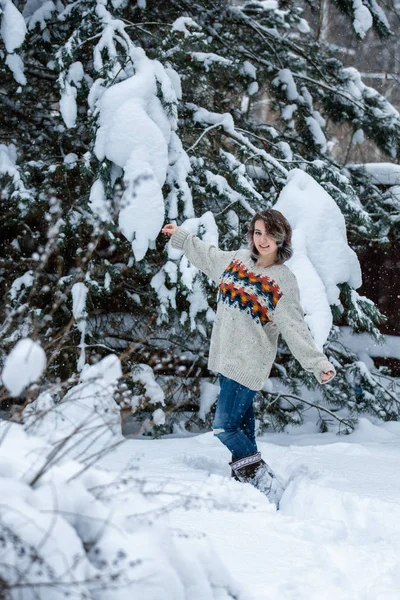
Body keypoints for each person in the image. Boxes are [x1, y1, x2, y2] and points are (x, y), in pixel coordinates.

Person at [162, 209, 335, 506]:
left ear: (282, 238)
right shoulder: (237, 261)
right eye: (257, 232)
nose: (262, 240)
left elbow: (294, 327)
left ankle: (259, 477)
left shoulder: (282, 280)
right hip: (224, 357)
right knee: (242, 427)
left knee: (224, 427)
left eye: (269, 234)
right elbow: (207, 254)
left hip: (249, 363)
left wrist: (317, 363)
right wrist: (181, 236)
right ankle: (249, 486)